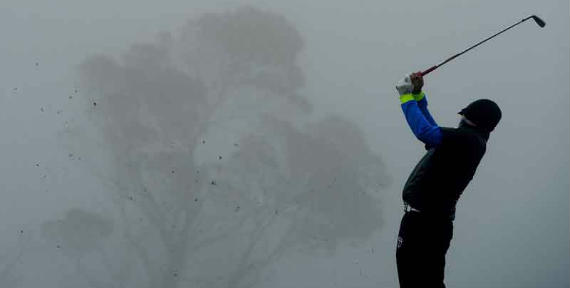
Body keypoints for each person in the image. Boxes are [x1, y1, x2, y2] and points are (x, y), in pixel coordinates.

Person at [394, 72, 502, 288]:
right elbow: (434, 132)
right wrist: (417, 95)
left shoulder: (467, 140)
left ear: (470, 119)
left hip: (424, 225)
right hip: (431, 224)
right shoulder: (469, 140)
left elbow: (425, 132)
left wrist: (405, 97)